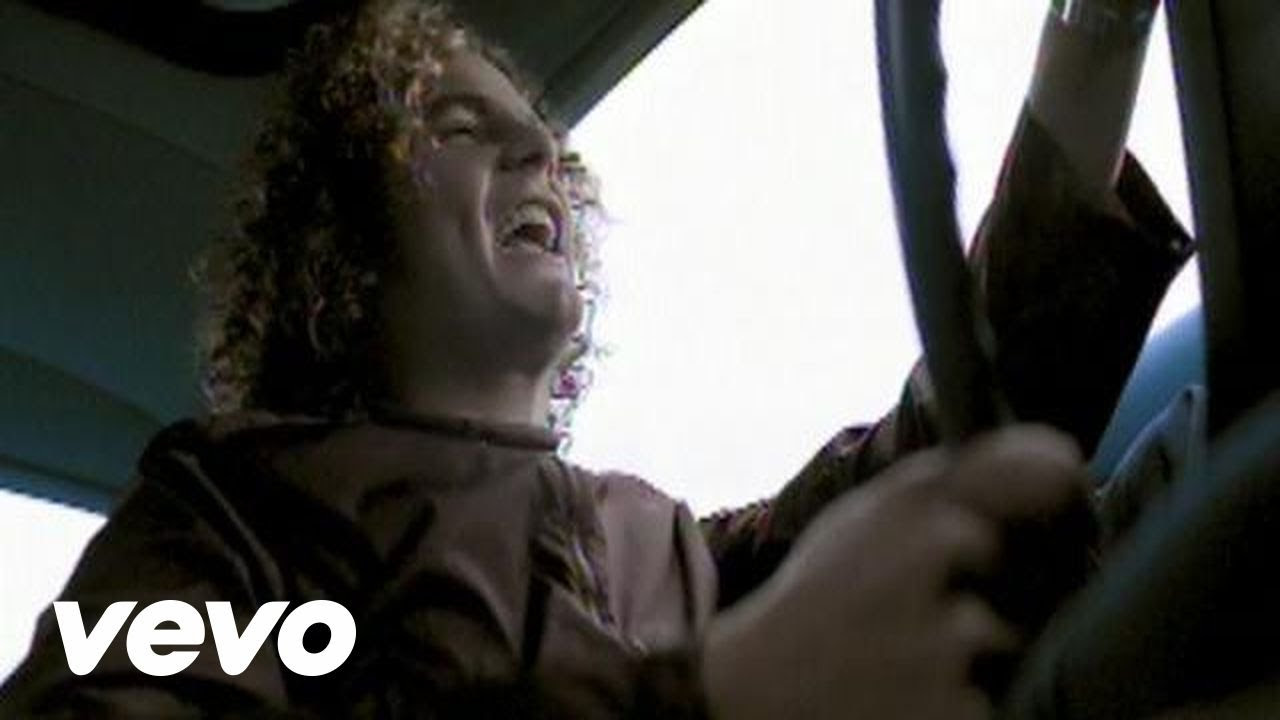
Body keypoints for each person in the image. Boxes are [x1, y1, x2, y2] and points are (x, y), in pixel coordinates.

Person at [0, 0, 1190, 717]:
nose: (535, 148)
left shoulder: (660, 546)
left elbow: (957, 442)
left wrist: (1100, 22)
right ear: (340, 237)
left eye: (538, 137)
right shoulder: (229, 512)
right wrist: (702, 703)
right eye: (457, 129)